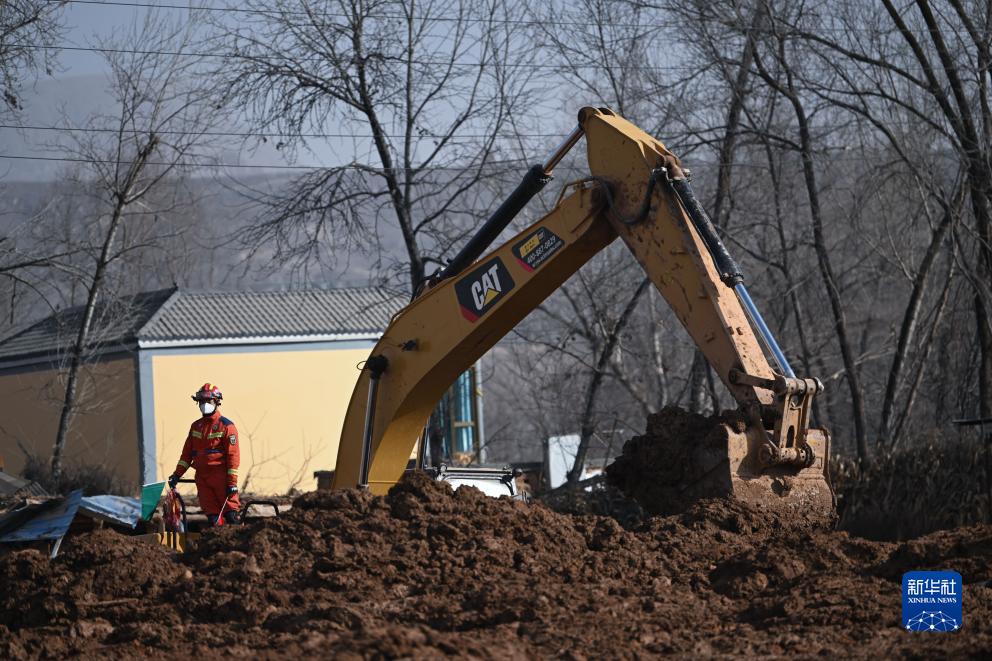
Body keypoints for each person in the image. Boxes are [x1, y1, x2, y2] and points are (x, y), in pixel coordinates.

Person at [168, 382, 241, 525]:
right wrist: (177, 474)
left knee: (231, 515)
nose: (204, 404)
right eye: (202, 401)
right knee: (213, 518)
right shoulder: (196, 426)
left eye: (208, 401)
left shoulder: (227, 426)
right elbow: (187, 455)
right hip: (202, 479)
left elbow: (233, 456)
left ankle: (241, 544)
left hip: (221, 478)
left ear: (216, 401)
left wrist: (232, 483)